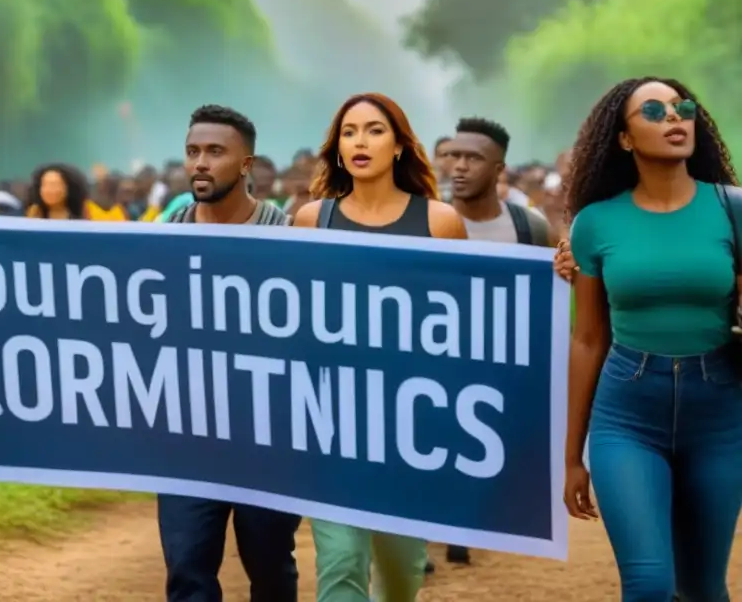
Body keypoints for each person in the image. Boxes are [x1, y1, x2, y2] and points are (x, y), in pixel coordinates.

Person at [563, 77, 742, 601]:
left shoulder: (733, 208)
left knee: (704, 586)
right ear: (623, 138)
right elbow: (588, 339)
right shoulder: (594, 225)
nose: (674, 118)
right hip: (627, 416)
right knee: (649, 583)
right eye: (654, 110)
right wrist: (573, 455)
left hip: (721, 413)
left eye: (682, 108)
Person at [293, 93, 467, 602]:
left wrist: (560, 273)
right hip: (331, 421)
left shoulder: (439, 223)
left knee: (401, 573)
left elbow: (470, 323)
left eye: (374, 130)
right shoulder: (311, 221)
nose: (360, 141)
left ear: (398, 146)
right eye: (349, 132)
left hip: (409, 428)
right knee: (341, 563)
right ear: (337, 148)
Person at [160, 104, 302, 602]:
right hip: (187, 437)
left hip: (269, 439)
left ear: (246, 164)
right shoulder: (161, 240)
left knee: (269, 567)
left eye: (215, 152)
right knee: (187, 571)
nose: (200, 162)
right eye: (193, 151)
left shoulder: (291, 239)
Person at [448, 117, 556, 249]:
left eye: (474, 158)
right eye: (454, 156)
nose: (460, 166)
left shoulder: (532, 228)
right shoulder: (424, 219)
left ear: (499, 170)